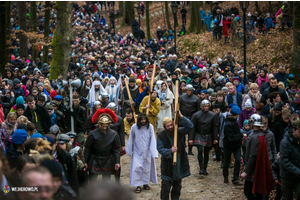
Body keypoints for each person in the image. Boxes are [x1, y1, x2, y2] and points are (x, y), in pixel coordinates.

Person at [157, 112, 194, 200]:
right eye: (168, 126)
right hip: (168, 164)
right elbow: (160, 149)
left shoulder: (178, 131)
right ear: (164, 127)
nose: (170, 127)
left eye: (171, 125)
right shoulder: (161, 135)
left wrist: (181, 116)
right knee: (166, 186)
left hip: (179, 162)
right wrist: (170, 150)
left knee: (177, 186)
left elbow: (190, 126)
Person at [241, 114, 275, 200]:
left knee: (248, 191)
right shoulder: (260, 135)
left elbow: (253, 156)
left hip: (254, 168)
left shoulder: (256, 137)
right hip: (258, 166)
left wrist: (246, 171)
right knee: (258, 192)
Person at [84, 108, 121, 182]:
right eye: (103, 126)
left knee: (106, 181)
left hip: (108, 159)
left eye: (106, 126)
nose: (104, 128)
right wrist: (85, 161)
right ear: (99, 124)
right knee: (92, 181)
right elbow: (87, 148)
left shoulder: (114, 134)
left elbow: (116, 149)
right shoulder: (92, 134)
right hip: (94, 158)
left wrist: (117, 161)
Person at [126, 113, 158, 193]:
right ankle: (138, 185)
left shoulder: (150, 126)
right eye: (142, 119)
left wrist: (153, 151)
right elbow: (131, 138)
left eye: (145, 119)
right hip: (137, 151)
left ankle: (145, 183)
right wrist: (130, 150)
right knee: (137, 168)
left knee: (147, 168)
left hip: (147, 151)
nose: (143, 121)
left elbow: (153, 139)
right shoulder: (134, 127)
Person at [189, 100, 218, 175]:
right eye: (204, 106)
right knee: (199, 150)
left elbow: (215, 127)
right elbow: (193, 127)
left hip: (208, 134)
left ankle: (205, 168)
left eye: (207, 106)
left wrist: (215, 138)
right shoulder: (196, 115)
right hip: (199, 134)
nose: (206, 108)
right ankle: (201, 167)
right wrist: (191, 139)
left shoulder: (213, 115)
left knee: (206, 153)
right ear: (202, 107)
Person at [280, 119, 300, 199]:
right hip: (287, 175)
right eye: (299, 131)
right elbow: (285, 161)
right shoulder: (285, 142)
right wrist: (298, 172)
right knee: (287, 197)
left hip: (298, 176)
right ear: (293, 130)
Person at [223, 105, 243, 185]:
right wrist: (240, 135)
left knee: (238, 160)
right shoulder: (228, 124)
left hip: (236, 145)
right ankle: (225, 176)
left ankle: (235, 178)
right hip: (228, 145)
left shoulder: (234, 121)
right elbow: (231, 137)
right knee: (226, 161)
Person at [179, 84, 201, 155]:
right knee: (182, 134)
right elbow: (178, 108)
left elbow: (198, 110)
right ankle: (182, 148)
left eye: (189, 91)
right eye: (187, 91)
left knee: (191, 134)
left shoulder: (196, 99)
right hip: (183, 117)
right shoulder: (181, 98)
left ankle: (190, 150)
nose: (188, 92)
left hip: (192, 118)